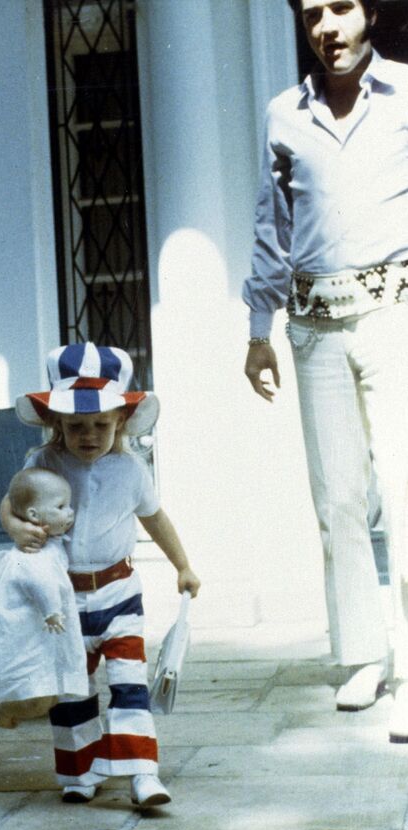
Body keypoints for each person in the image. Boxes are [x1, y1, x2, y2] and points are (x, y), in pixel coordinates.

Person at [242, 0, 408, 739]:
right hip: (313, 326)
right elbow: (271, 225)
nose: (326, 27)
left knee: (403, 487)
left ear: (370, 13)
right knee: (338, 497)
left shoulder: (405, 95)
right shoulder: (285, 113)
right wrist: (258, 330)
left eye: (341, 8)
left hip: (394, 313)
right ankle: (364, 656)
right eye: (312, 14)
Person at [0, 341, 201, 806]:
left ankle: (142, 772)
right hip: (62, 597)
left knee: (130, 682)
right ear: (57, 423)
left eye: (100, 425)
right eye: (76, 426)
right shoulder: (43, 462)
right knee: (72, 688)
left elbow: (155, 518)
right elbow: (11, 502)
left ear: (121, 422)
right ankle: (80, 771)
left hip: (118, 592)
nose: (88, 435)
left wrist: (183, 565)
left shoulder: (130, 469)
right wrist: (15, 526)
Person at [0, 467, 88, 729]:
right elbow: (40, 582)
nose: (70, 512)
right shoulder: (33, 553)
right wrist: (52, 611)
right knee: (39, 698)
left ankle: (10, 706)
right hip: (34, 628)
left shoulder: (50, 543)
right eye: (61, 507)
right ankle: (5, 710)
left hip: (41, 632)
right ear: (34, 515)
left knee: (51, 693)